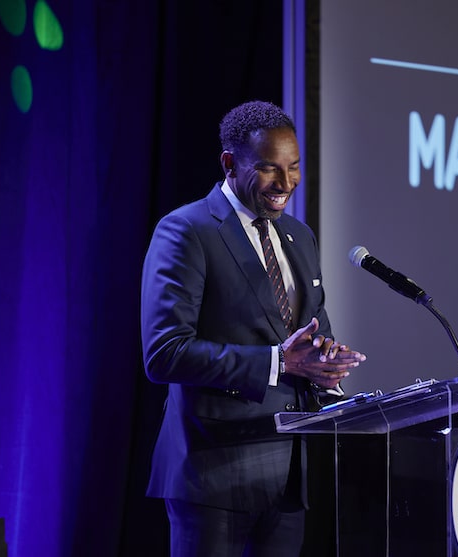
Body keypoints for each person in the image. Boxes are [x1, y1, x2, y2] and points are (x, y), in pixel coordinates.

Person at [140, 100, 366, 557]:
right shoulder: (186, 231)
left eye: (294, 167)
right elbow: (164, 352)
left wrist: (326, 365)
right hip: (211, 476)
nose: (286, 184)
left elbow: (311, 330)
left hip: (285, 481)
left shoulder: (299, 237)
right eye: (268, 169)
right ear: (229, 163)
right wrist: (279, 362)